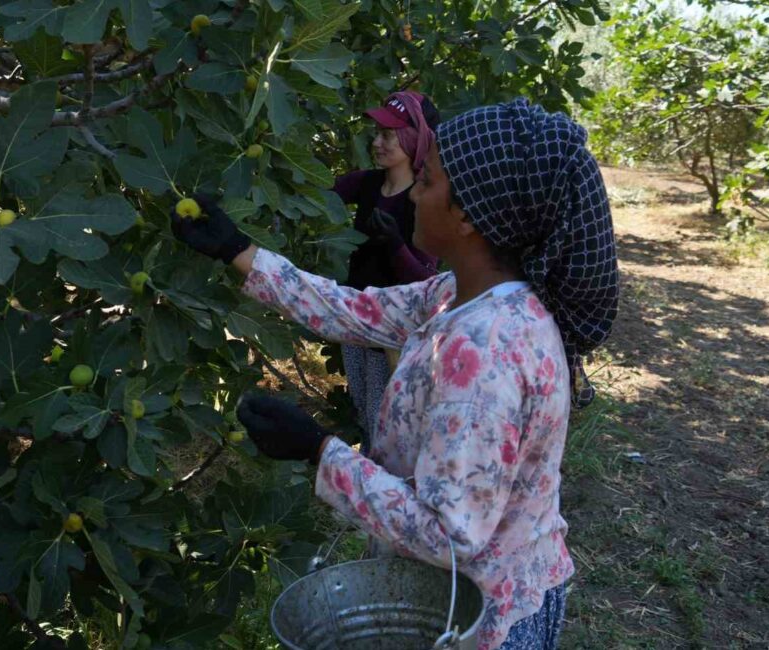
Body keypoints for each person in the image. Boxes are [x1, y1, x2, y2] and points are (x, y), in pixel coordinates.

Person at [170, 98, 619, 649]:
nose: (413, 195)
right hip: (480, 592)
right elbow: (355, 310)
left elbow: (449, 537)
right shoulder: (464, 292)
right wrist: (238, 251)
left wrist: (318, 450)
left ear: (469, 215)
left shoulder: (486, 353)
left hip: (476, 622)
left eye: (426, 182)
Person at [333, 91, 441, 450]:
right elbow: (314, 192)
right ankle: (368, 483)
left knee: (387, 414)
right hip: (356, 318)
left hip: (394, 333)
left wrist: (395, 244)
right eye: (376, 133)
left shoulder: (424, 201)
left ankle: (387, 485)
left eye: (387, 136)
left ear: (412, 140)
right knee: (363, 405)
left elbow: (428, 282)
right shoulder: (366, 184)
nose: (377, 143)